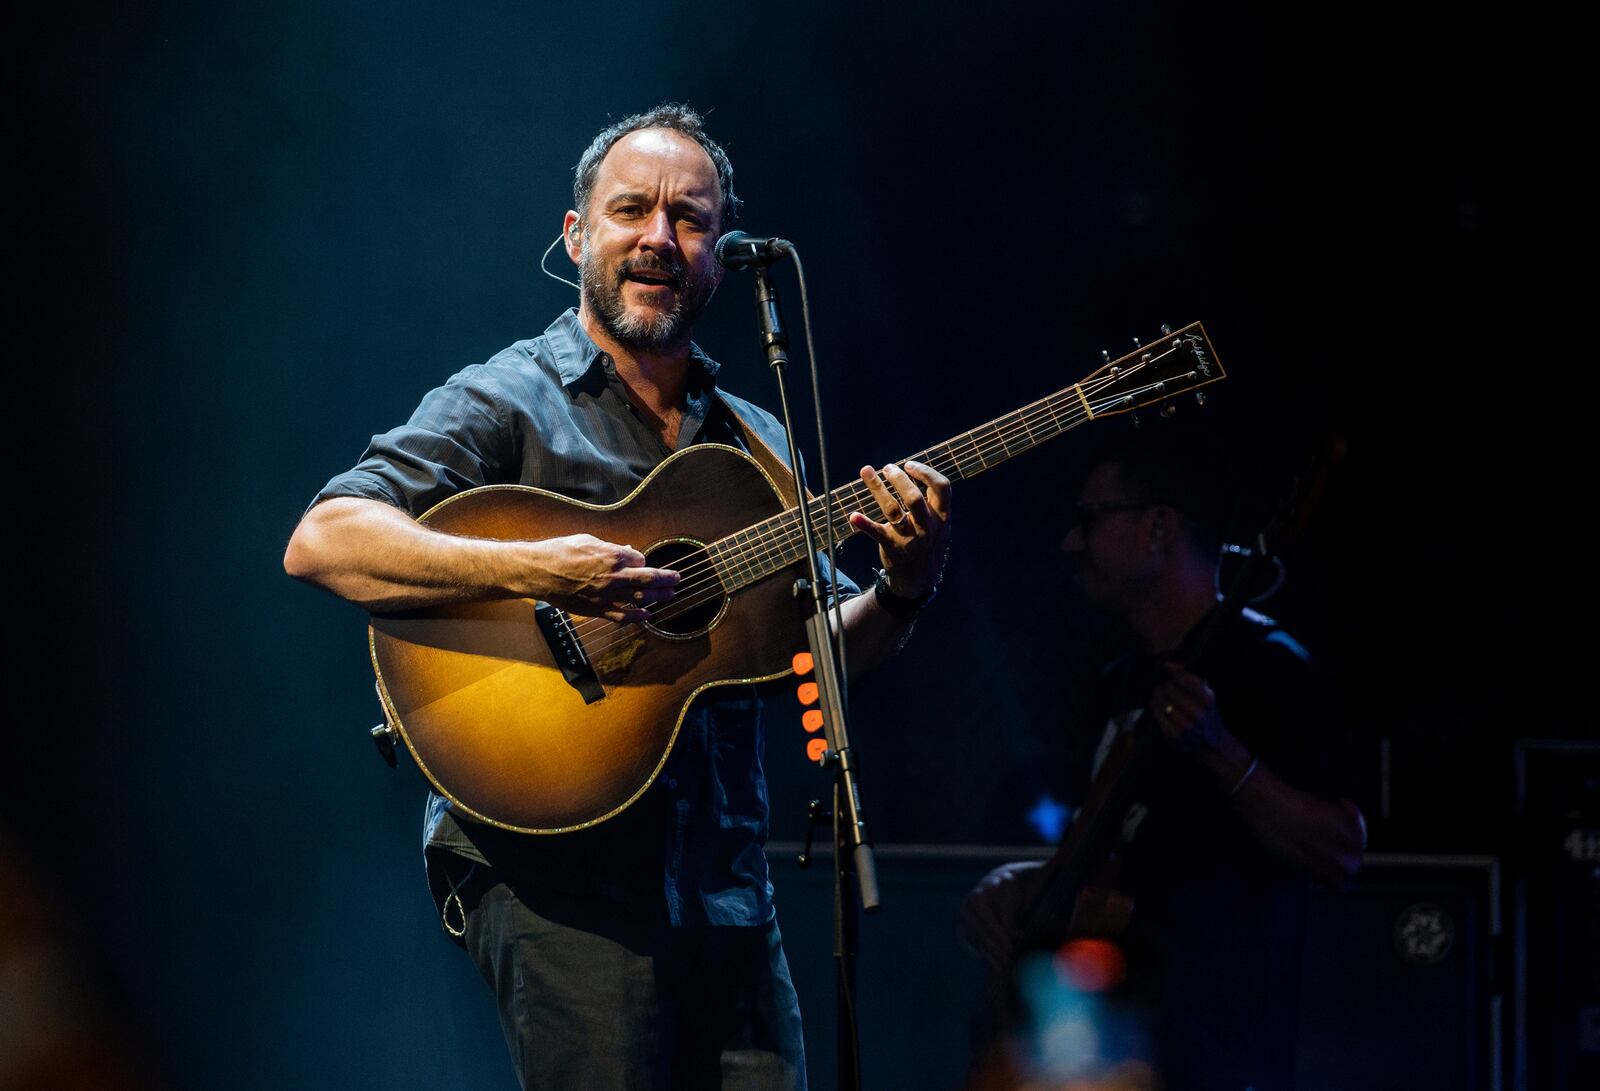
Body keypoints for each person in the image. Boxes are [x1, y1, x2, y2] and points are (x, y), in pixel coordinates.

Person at [283, 104, 951, 1090]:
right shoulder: (505, 398)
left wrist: (907, 579)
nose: (658, 238)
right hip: (559, 882)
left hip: (727, 893)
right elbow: (324, 539)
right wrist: (532, 567)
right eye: (630, 210)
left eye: (688, 218)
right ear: (575, 234)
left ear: (720, 251)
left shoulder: (757, 440)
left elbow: (813, 650)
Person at [960, 431, 1364, 1091]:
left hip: (1211, 1051)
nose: (1071, 543)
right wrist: (1031, 882)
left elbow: (1342, 849)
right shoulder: (1120, 681)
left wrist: (1221, 752)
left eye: (1090, 521)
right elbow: (1130, 857)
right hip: (1104, 1046)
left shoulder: (1267, 668)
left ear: (1158, 527)